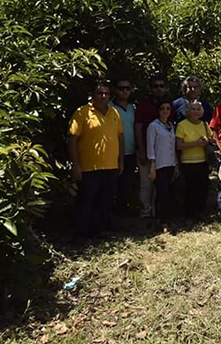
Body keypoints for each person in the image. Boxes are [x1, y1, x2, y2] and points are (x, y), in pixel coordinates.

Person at [68, 81, 124, 239]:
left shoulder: (114, 112)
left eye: (106, 93)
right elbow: (72, 139)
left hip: (111, 166)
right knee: (86, 202)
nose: (103, 96)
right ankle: (82, 235)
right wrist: (76, 165)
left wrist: (121, 161)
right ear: (92, 95)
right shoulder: (82, 113)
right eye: (99, 93)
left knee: (105, 202)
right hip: (89, 168)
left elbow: (120, 138)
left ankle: (99, 233)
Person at [135, 75, 170, 219]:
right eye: (155, 86)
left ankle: (157, 212)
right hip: (146, 150)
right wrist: (142, 151)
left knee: (160, 184)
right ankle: (145, 212)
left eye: (161, 86)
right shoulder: (143, 105)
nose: (159, 89)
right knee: (146, 183)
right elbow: (138, 128)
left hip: (163, 153)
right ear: (150, 88)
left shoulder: (167, 105)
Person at [176, 101, 212, 220]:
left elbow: (211, 139)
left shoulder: (205, 125)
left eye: (198, 109)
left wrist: (207, 141)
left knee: (202, 188)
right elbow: (179, 145)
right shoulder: (182, 125)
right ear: (188, 111)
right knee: (190, 189)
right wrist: (196, 144)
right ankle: (189, 215)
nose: (196, 111)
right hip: (188, 162)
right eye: (193, 109)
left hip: (203, 161)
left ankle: (201, 212)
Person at [147, 99, 177, 231]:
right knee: (162, 193)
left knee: (170, 193)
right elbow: (150, 147)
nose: (165, 111)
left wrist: (176, 164)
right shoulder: (153, 126)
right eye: (162, 108)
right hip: (159, 165)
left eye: (168, 108)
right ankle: (162, 221)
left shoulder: (171, 126)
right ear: (158, 111)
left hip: (170, 163)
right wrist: (152, 165)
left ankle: (169, 219)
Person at [111, 78, 137, 214]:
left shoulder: (133, 108)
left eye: (127, 88)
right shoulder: (109, 107)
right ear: (115, 90)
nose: (124, 91)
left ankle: (123, 211)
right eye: (121, 88)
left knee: (127, 184)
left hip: (131, 152)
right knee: (112, 185)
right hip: (114, 153)